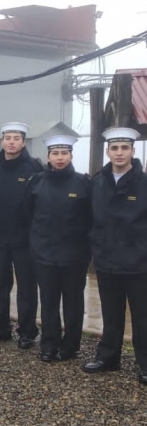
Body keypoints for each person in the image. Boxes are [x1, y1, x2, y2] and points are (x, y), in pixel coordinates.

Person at [83, 127, 147, 385]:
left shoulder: (143, 183)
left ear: (132, 151)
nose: (119, 153)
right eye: (114, 148)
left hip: (138, 262)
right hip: (107, 258)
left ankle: (144, 363)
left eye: (124, 148)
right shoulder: (98, 182)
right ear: (108, 151)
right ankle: (109, 357)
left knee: (142, 316)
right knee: (111, 313)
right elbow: (89, 218)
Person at [25, 135, 91, 362]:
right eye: (55, 154)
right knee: (49, 303)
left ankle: (70, 346)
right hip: (44, 254)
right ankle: (49, 344)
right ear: (48, 157)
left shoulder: (83, 183)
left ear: (71, 156)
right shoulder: (36, 182)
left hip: (73, 256)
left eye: (64, 153)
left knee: (73, 304)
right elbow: (28, 215)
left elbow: (90, 219)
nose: (59, 158)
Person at [0, 122, 43, 349]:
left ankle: (27, 332)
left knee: (27, 286)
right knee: (0, 284)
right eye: (7, 137)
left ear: (23, 142)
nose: (11, 142)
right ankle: (0, 328)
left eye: (16, 138)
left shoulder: (35, 169)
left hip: (25, 238)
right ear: (2, 141)